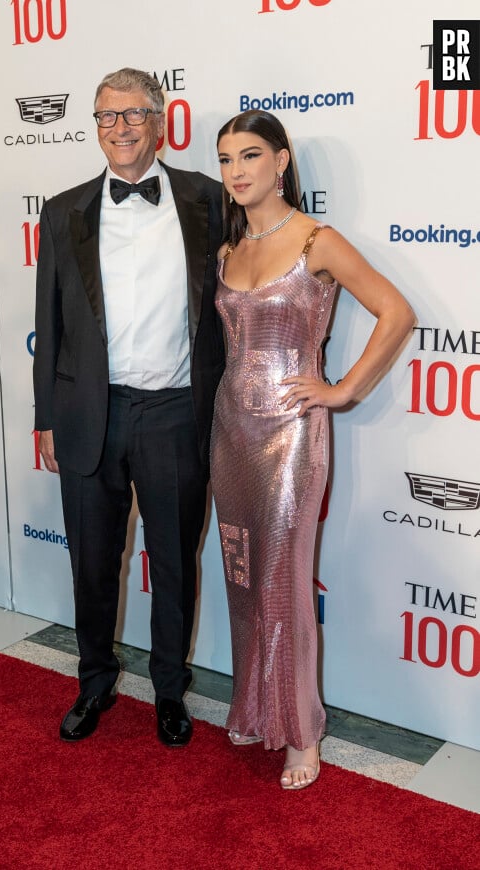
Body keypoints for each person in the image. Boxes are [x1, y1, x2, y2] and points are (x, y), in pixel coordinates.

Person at [211, 110, 414, 789]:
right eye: (225, 160)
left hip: (292, 435)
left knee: (284, 583)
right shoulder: (228, 250)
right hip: (229, 431)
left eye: (248, 156)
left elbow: (396, 310)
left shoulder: (316, 241)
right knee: (241, 578)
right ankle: (252, 704)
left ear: (281, 159)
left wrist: (344, 389)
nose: (236, 171)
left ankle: (301, 731)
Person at [33, 68, 224, 747]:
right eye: (106, 116)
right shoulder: (63, 211)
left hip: (177, 413)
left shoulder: (208, 200)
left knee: (174, 561)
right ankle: (95, 684)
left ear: (160, 121)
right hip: (90, 414)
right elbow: (48, 322)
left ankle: (170, 691)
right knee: (92, 562)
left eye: (133, 114)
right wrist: (46, 418)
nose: (119, 127)